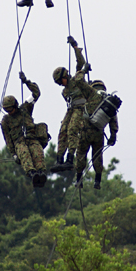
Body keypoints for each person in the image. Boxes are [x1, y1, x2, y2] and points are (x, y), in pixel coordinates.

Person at [50, 36, 95, 174]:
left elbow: (80, 62)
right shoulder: (65, 91)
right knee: (63, 131)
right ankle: (59, 159)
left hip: (81, 109)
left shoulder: (76, 79)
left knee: (72, 130)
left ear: (65, 76)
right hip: (71, 109)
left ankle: (70, 158)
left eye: (60, 81)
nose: (61, 84)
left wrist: (75, 46)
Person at [1, 71, 48, 187]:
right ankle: (32, 173)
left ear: (15, 105)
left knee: (37, 152)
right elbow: (8, 140)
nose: (9, 112)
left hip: (32, 138)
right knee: (24, 153)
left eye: (10, 109)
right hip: (19, 142)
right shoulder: (5, 121)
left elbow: (36, 93)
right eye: (7, 110)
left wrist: (26, 81)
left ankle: (41, 173)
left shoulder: (25, 108)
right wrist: (13, 154)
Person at [75, 79, 119, 190]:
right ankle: (97, 181)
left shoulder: (91, 95)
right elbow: (113, 120)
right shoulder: (108, 100)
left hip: (85, 132)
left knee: (81, 154)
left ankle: (79, 181)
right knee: (97, 156)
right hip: (99, 133)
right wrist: (113, 136)